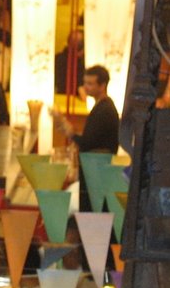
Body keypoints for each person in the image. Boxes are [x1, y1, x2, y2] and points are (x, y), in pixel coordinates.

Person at [50, 65, 120, 212]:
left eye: (90, 83)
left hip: (96, 171)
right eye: (85, 83)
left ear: (102, 86)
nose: (85, 87)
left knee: (93, 212)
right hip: (96, 169)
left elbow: (88, 143)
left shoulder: (104, 110)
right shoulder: (102, 107)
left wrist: (70, 133)